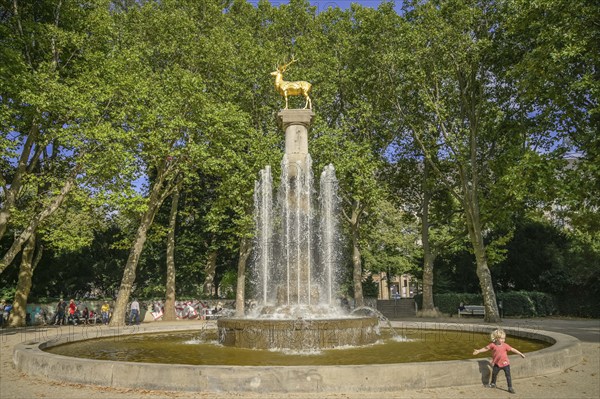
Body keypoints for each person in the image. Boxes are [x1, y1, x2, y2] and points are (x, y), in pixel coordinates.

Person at [473, 328, 526, 394]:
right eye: (502, 338)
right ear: (497, 338)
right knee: (494, 374)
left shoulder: (505, 345)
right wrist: (478, 351)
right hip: (497, 364)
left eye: (504, 338)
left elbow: (512, 349)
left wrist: (520, 353)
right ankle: (493, 384)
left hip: (506, 364)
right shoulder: (493, 345)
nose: (503, 340)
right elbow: (486, 348)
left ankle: (510, 387)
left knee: (508, 375)